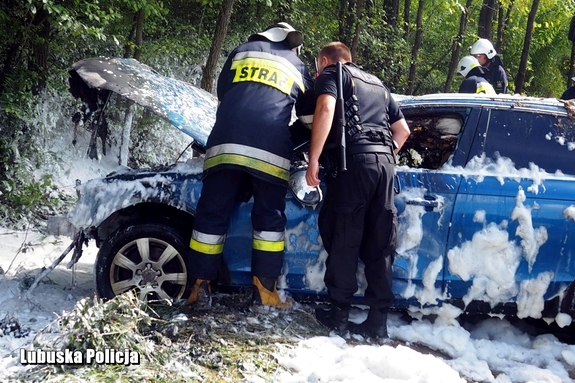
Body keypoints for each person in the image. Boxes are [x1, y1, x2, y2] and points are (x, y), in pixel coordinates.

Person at [186, 22, 315, 308]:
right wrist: (286, 136)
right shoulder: (297, 64)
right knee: (269, 220)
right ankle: (265, 292)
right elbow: (309, 120)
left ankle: (199, 288)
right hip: (270, 153)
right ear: (292, 43)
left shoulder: (240, 52)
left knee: (210, 217)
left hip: (224, 146)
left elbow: (225, 96)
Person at [305, 42, 411, 338]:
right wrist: (384, 153)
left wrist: (314, 159)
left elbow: (326, 107)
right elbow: (402, 130)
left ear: (325, 60)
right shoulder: (378, 85)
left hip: (353, 164)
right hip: (385, 166)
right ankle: (378, 323)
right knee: (381, 241)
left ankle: (338, 316)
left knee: (345, 235)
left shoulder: (332, 74)